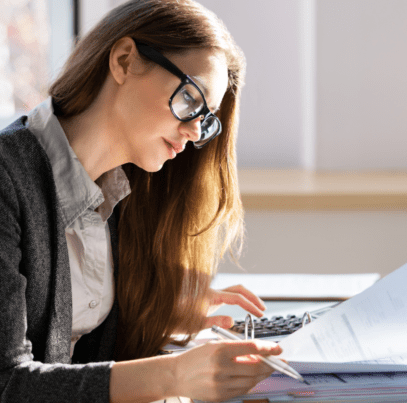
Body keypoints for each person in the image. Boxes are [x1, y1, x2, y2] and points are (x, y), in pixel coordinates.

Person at [0, 0, 283, 401]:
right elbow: (7, 383)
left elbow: (78, 361)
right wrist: (175, 375)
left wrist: (155, 311)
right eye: (190, 100)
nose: (192, 132)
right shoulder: (7, 178)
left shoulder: (125, 195)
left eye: (206, 118)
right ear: (124, 60)